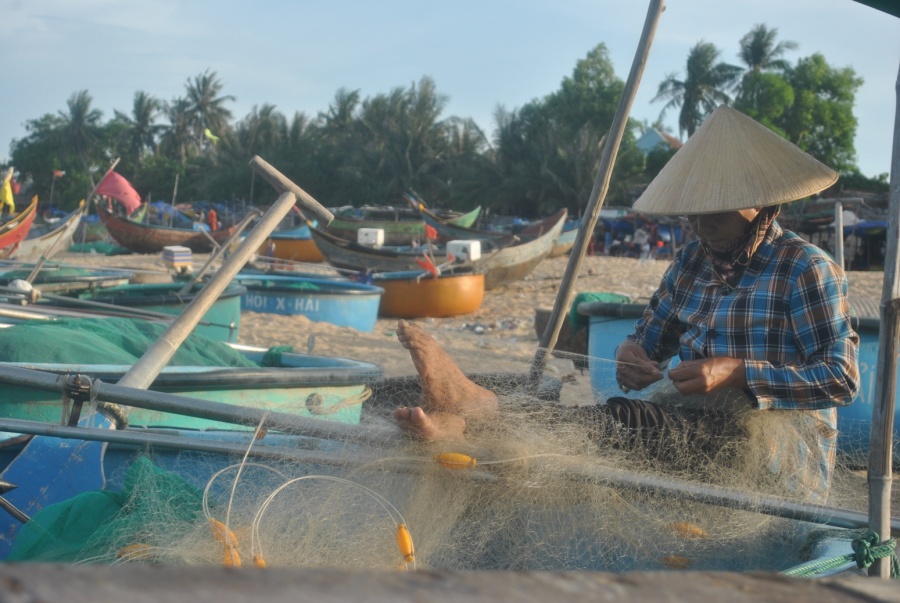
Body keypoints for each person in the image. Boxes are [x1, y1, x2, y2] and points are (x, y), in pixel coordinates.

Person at [394, 106, 859, 500]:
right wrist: (630, 356)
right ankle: (470, 428)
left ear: (758, 203)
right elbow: (648, 341)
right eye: (692, 211)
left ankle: (482, 415)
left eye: (714, 211)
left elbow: (841, 379)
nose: (699, 224)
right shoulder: (693, 261)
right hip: (691, 427)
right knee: (619, 430)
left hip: (771, 448)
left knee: (633, 424)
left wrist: (734, 372)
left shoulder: (804, 268)